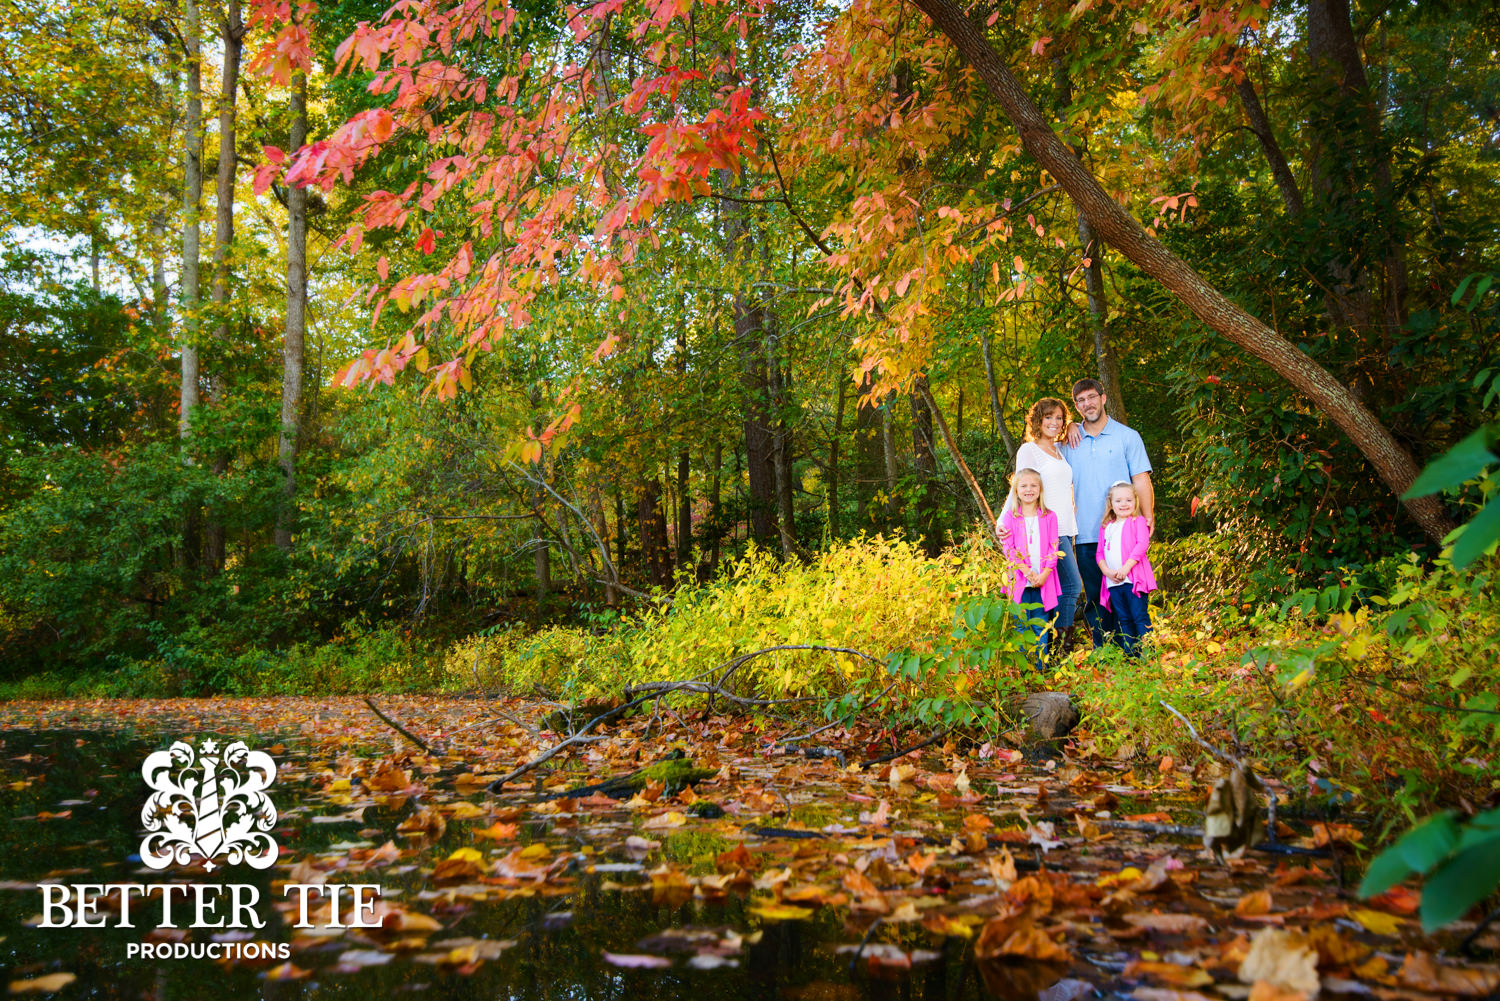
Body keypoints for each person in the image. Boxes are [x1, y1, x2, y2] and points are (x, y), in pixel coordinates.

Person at [1062, 379, 1154, 650]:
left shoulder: (1127, 436)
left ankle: (1136, 650)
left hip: (1123, 532)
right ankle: (1106, 652)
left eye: (1091, 397)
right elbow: (1041, 451)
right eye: (1080, 400)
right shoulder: (1069, 440)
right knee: (1094, 598)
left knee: (1129, 594)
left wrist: (1148, 519)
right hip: (1086, 534)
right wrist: (1068, 427)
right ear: (1076, 406)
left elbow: (1140, 479)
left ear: (1103, 398)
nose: (1087, 404)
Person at [999, 398, 1083, 655]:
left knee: (1057, 588)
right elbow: (1021, 486)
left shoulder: (1061, 449)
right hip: (1046, 528)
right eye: (1048, 417)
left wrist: (1073, 425)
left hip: (1067, 527)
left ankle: (1051, 646)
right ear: (1037, 420)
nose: (1054, 423)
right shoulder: (1029, 450)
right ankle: (1061, 647)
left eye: (1059, 418)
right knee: (1072, 586)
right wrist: (1004, 521)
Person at [997, 468, 1059, 668]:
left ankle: (1041, 669)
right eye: (1023, 486)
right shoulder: (1010, 517)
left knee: (1041, 625)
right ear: (1016, 491)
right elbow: (1009, 550)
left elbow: (1053, 547)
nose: (1029, 489)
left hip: (1044, 580)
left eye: (1034, 485)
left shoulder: (1050, 517)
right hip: (1021, 581)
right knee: (1022, 625)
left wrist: (1044, 574)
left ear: (1040, 489)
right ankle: (1025, 671)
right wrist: (1029, 573)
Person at [1096, 481, 1157, 656]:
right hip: (1113, 582)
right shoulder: (1106, 527)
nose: (1124, 504)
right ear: (1111, 504)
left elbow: (1142, 545)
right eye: (1119, 500)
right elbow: (1099, 553)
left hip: (1133, 580)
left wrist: (1126, 568)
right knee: (1123, 618)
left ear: (1135, 502)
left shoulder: (1137, 522)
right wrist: (1108, 572)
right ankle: (1132, 654)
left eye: (1128, 500)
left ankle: (1149, 653)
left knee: (1139, 616)